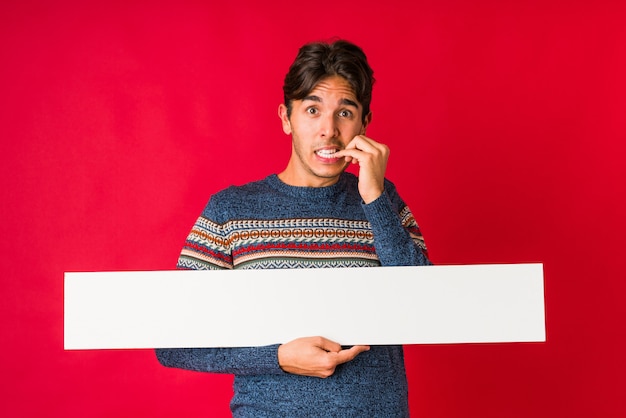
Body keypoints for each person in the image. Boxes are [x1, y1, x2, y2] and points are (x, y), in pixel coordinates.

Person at [155, 39, 430, 417]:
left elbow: (427, 309)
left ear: (364, 122)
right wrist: (278, 358)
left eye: (345, 112)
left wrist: (375, 198)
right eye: (313, 110)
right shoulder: (230, 212)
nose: (328, 130)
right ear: (286, 118)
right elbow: (172, 343)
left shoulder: (384, 201)